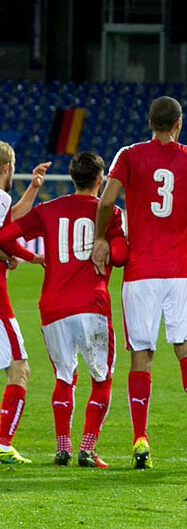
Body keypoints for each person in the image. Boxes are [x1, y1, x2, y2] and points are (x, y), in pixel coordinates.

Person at [90, 96, 187, 471]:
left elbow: (105, 202)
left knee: (141, 355)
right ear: (179, 124)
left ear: (150, 122)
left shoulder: (130, 155)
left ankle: (140, 438)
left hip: (141, 272)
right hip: (181, 272)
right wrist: (180, 223)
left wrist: (102, 238)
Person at [0, 152, 127, 467]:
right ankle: (87, 448)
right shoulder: (110, 212)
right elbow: (122, 256)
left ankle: (63, 447)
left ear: (72, 178)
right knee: (102, 379)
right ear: (101, 180)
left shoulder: (49, 209)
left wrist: (30, 257)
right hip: (92, 304)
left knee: (64, 376)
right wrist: (109, 246)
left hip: (53, 307)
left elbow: (4, 235)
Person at [0, 142, 50, 465]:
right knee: (20, 366)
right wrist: (31, 256)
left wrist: (32, 188)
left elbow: (10, 219)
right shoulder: (0, 195)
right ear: (7, 168)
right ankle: (3, 443)